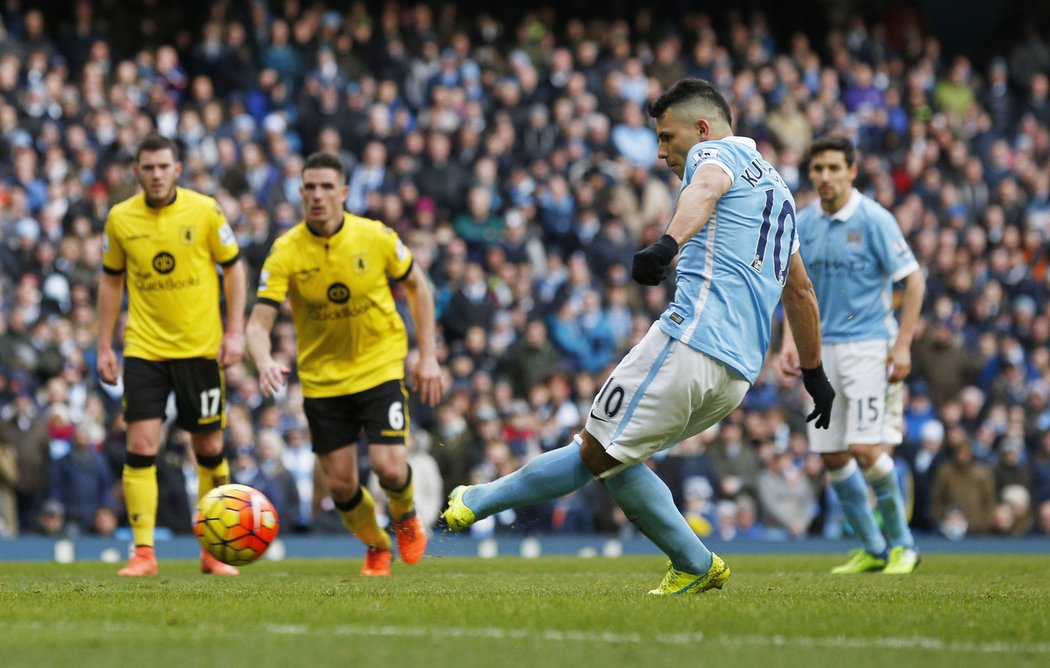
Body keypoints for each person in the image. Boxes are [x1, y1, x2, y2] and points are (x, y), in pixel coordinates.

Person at [443, 79, 834, 595]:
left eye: (668, 137)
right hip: (736, 377)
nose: (661, 150)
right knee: (613, 456)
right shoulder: (779, 192)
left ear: (701, 128)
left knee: (596, 449)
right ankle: (693, 562)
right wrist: (814, 373)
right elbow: (801, 292)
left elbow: (706, 187)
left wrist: (668, 243)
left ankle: (477, 499)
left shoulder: (713, 155)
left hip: (691, 341)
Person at [246, 152, 444, 577]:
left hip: (379, 368)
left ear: (344, 193)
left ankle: (405, 515)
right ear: (300, 193)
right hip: (323, 381)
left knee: (391, 468)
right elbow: (258, 323)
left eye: (326, 187)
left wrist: (427, 356)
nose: (317, 196)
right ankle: (376, 544)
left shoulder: (375, 237)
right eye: (310, 188)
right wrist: (263, 360)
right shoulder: (286, 251)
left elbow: (419, 288)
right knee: (340, 485)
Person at [97, 133, 247, 576]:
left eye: (164, 167)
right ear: (137, 172)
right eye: (149, 167)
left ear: (177, 170)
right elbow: (110, 281)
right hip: (144, 349)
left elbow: (234, 268)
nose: (157, 174)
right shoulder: (120, 219)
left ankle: (213, 548)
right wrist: (104, 343)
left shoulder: (204, 211)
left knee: (209, 446)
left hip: (200, 351)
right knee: (140, 444)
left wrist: (235, 331)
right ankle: (143, 552)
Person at [778, 134, 926, 575]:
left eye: (833, 168)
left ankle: (904, 544)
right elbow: (794, 291)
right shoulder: (803, 222)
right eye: (817, 169)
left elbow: (913, 281)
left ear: (852, 171)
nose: (824, 176)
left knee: (863, 447)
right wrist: (791, 342)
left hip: (868, 347)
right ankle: (873, 548)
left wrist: (902, 345)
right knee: (832, 455)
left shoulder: (875, 220)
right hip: (820, 353)